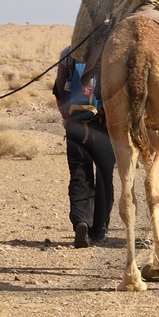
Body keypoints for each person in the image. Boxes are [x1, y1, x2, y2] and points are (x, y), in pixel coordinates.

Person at [53, 47, 115, 248]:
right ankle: (99, 231)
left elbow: (60, 89)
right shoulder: (113, 49)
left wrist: (67, 117)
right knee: (104, 177)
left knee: (79, 173)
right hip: (106, 126)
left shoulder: (68, 53)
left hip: (76, 122)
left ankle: (81, 221)